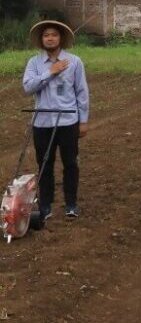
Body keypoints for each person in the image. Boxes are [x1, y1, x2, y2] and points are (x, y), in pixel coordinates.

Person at [22, 20, 89, 219]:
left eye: (54, 35)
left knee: (70, 163)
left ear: (60, 38)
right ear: (42, 40)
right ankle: (46, 206)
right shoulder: (34, 63)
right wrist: (50, 72)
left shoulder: (75, 62)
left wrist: (83, 120)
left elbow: (81, 92)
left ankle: (71, 204)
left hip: (68, 121)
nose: (50, 38)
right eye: (46, 35)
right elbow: (28, 88)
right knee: (44, 164)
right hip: (42, 122)